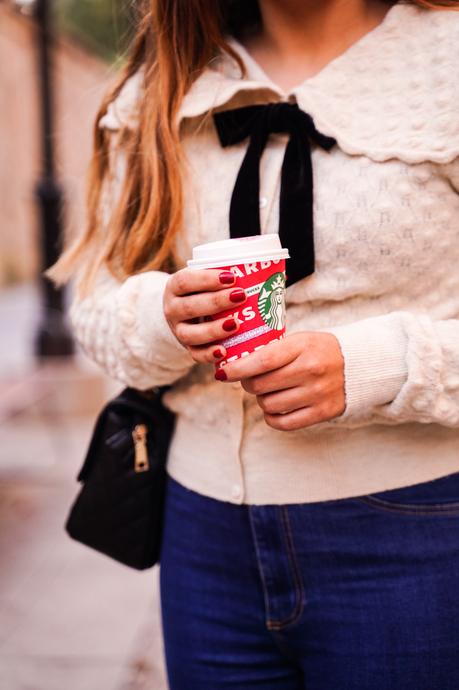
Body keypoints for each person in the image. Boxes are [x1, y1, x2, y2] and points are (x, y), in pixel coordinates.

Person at [49, 0, 459, 687]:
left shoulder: (443, 63)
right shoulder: (159, 88)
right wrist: (162, 318)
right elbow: (92, 301)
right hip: (202, 539)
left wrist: (375, 366)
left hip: (416, 532)